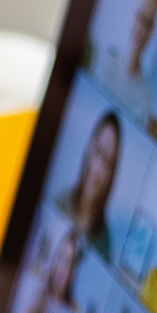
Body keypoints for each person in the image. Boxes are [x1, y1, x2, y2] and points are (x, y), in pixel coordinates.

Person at [56, 110, 122, 260]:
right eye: (99, 153)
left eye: (108, 163)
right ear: (89, 150)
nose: (99, 169)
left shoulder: (105, 244)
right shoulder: (60, 201)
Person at [95, 0, 157, 128]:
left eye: (148, 24)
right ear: (132, 17)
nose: (141, 30)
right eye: (140, 18)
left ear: (152, 32)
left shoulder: (146, 98)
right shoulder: (105, 62)